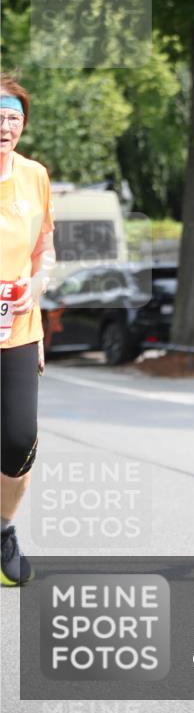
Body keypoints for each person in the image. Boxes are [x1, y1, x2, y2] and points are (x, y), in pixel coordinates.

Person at [0, 74, 55, 586]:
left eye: (14, 117)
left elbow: (45, 251)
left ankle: (3, 529)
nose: (5, 125)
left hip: (17, 330)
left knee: (19, 440)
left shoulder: (35, 176)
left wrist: (34, 288)